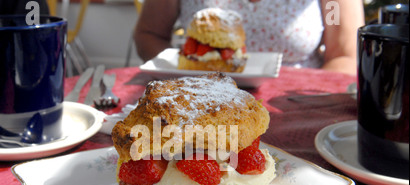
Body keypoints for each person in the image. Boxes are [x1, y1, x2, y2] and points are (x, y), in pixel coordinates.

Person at [134, 0, 365, 75]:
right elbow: (149, 34)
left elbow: (344, 55)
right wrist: (182, 71)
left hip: (294, 103)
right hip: (202, 87)